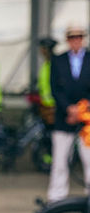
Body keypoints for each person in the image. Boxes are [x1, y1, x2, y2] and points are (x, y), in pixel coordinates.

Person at [48, 25, 90, 202]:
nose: (76, 41)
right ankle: (57, 196)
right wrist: (68, 109)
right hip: (64, 118)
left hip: (87, 119)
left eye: (79, 37)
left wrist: (83, 108)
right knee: (60, 159)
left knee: (88, 159)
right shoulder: (58, 60)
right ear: (67, 40)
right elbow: (55, 89)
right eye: (72, 37)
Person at [37, 37, 56, 125]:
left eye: (43, 48)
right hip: (45, 103)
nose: (41, 51)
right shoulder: (46, 63)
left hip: (52, 104)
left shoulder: (55, 64)